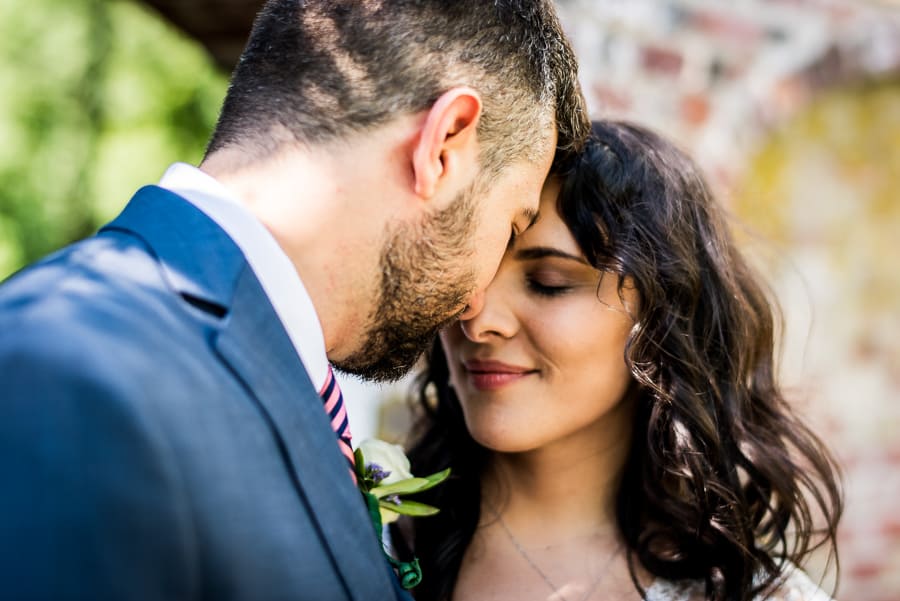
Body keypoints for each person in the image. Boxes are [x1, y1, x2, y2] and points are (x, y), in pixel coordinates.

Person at [0, 1, 590, 599]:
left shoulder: (261, 374)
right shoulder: (69, 369)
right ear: (443, 145)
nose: (476, 304)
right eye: (512, 226)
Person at [397, 120, 843, 601]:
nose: (477, 320)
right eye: (466, 280)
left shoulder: (753, 594)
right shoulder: (368, 537)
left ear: (663, 317)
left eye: (549, 282)